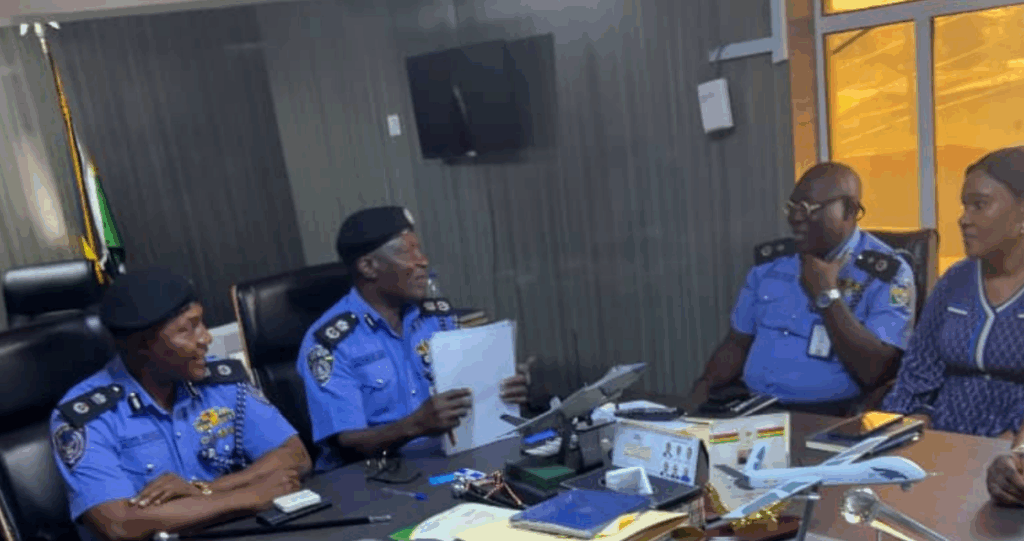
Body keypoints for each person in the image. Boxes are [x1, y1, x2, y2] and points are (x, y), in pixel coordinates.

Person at [51, 268, 312, 541]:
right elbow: (119, 525)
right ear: (142, 345)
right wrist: (250, 496)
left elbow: (295, 455)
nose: (206, 338)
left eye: (202, 323)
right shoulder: (85, 417)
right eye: (188, 329)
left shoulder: (219, 380)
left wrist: (204, 490)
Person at [297, 206, 530, 471]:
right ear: (368, 266)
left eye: (420, 250)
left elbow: (470, 394)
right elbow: (348, 443)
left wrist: (504, 388)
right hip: (372, 475)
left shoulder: (437, 318)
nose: (423, 261)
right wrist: (416, 425)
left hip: (448, 459)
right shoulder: (329, 343)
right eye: (407, 253)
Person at [690, 163, 916, 411]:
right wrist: (702, 390)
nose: (795, 217)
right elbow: (737, 342)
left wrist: (826, 295)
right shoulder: (773, 263)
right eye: (792, 207)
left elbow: (876, 372)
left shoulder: (886, 274)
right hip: (752, 408)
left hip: (826, 415)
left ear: (849, 210)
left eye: (808, 208)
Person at [882, 147, 1024, 438]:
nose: (963, 219)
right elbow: (918, 369)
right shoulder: (956, 280)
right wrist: (913, 418)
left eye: (979, 205)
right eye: (964, 206)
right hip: (942, 440)